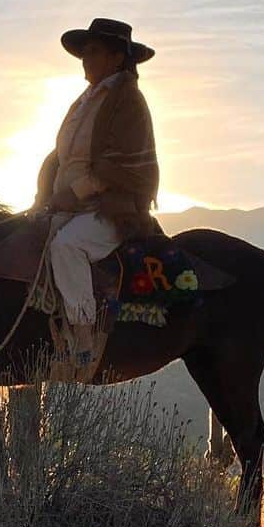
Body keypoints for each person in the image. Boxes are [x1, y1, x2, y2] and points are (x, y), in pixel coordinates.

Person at [33, 18, 160, 363]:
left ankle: (84, 337)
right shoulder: (86, 100)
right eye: (84, 53)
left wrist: (73, 194)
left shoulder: (129, 101)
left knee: (67, 246)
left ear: (117, 57)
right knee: (30, 240)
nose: (85, 60)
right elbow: (61, 156)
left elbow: (118, 166)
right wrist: (46, 195)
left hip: (109, 208)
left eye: (93, 52)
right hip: (72, 206)